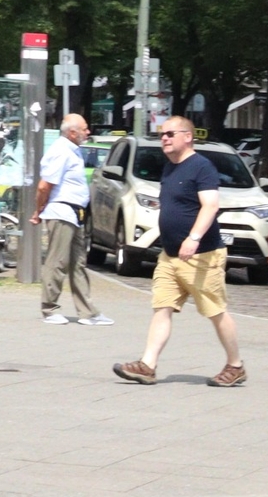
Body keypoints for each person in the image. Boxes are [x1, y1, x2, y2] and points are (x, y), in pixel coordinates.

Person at [113, 118, 245, 387]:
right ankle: (147, 365)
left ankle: (236, 365)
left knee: (215, 311)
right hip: (170, 256)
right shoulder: (170, 168)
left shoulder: (202, 167)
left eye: (170, 134)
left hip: (202, 256)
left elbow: (210, 206)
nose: (164, 138)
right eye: (162, 134)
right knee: (162, 308)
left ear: (188, 136)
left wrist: (193, 238)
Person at [33, 113, 109, 326]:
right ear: (72, 132)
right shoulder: (60, 151)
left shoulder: (72, 151)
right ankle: (49, 309)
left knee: (78, 263)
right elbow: (44, 185)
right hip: (62, 212)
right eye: (85, 129)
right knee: (57, 261)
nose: (88, 132)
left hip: (75, 213)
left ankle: (88, 312)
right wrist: (38, 210)